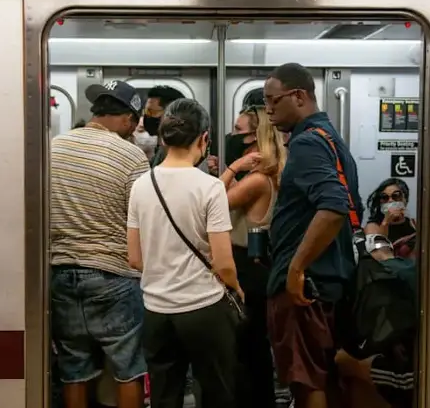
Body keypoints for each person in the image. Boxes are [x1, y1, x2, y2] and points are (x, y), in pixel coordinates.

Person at [127, 98, 243, 408]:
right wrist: (236, 287)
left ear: (163, 139)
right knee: (217, 392)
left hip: (156, 311)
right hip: (204, 309)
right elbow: (223, 262)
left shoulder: (141, 185)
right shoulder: (210, 187)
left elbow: (134, 258)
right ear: (204, 139)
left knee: (165, 396)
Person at [263, 63, 364, 408]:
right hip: (330, 279)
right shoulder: (332, 141)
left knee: (307, 381)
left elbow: (335, 206)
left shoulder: (307, 143)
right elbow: (354, 207)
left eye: (273, 100)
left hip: (307, 287)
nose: (268, 109)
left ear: (299, 96)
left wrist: (296, 268)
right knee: (322, 375)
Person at [49, 80, 150, 408]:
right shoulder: (132, 156)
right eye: (134, 123)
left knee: (74, 368)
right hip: (112, 276)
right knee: (129, 368)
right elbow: (140, 220)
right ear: (127, 119)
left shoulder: (53, 147)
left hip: (61, 273)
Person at [217, 105, 286, 408]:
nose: (234, 136)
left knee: (246, 349)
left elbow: (212, 202)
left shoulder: (258, 180)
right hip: (260, 266)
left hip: (246, 266)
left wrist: (232, 169)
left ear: (253, 139)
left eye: (239, 130)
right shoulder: (272, 175)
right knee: (254, 345)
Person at [364, 178, 417, 259]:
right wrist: (386, 222)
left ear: (405, 199)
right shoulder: (372, 227)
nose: (390, 201)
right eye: (385, 197)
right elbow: (378, 254)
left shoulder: (414, 225)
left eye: (396, 196)